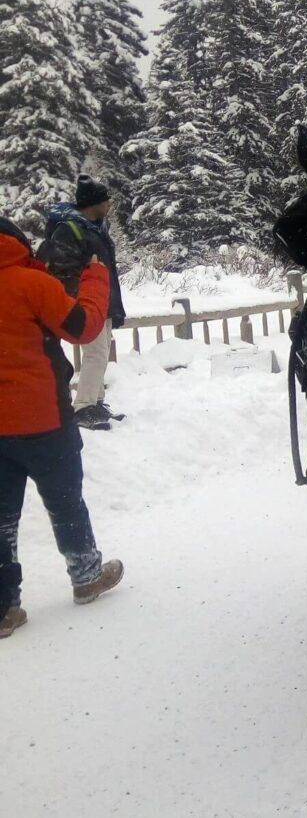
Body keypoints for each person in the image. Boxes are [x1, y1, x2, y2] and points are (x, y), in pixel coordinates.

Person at [0, 218, 124, 639]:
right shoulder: (29, 284)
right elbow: (82, 326)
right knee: (65, 501)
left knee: (0, 518)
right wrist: (95, 276)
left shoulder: (28, 280)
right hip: (43, 418)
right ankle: (86, 575)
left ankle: (4, 608)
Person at [40, 175, 127, 431]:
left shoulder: (96, 227)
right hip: (88, 301)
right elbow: (64, 269)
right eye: (105, 200)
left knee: (101, 352)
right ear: (93, 203)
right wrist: (83, 298)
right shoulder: (70, 230)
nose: (110, 204)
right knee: (96, 352)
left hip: (103, 299)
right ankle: (84, 407)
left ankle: (96, 401)